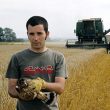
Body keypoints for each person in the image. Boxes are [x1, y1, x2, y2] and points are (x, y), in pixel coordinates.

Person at [6, 16, 68, 110]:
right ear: (27, 34)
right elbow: (11, 89)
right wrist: (25, 94)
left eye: (39, 33)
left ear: (47, 34)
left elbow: (60, 88)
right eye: (31, 34)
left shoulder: (58, 58)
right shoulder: (17, 58)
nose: (35, 38)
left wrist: (42, 84)